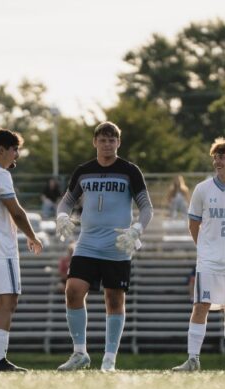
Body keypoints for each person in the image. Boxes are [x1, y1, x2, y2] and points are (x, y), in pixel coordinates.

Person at [55, 121, 153, 372]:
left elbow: (146, 208)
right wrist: (62, 216)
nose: (107, 144)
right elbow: (66, 201)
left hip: (117, 245)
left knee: (114, 299)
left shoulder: (130, 170)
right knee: (73, 291)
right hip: (87, 243)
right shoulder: (83, 171)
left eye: (112, 140)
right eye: (102, 139)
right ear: (95, 142)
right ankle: (80, 353)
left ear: (118, 142)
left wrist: (137, 229)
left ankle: (109, 358)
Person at [172, 138, 225, 373]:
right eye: (215, 157)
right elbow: (193, 224)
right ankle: (193, 360)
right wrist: (204, 248)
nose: (217, 161)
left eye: (222, 156)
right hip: (209, 260)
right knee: (201, 305)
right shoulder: (203, 188)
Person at [0, 129, 43, 372]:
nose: (17, 155)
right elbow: (16, 211)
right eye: (14, 149)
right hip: (0, 249)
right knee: (8, 301)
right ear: (1, 149)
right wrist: (32, 236)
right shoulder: (0, 174)